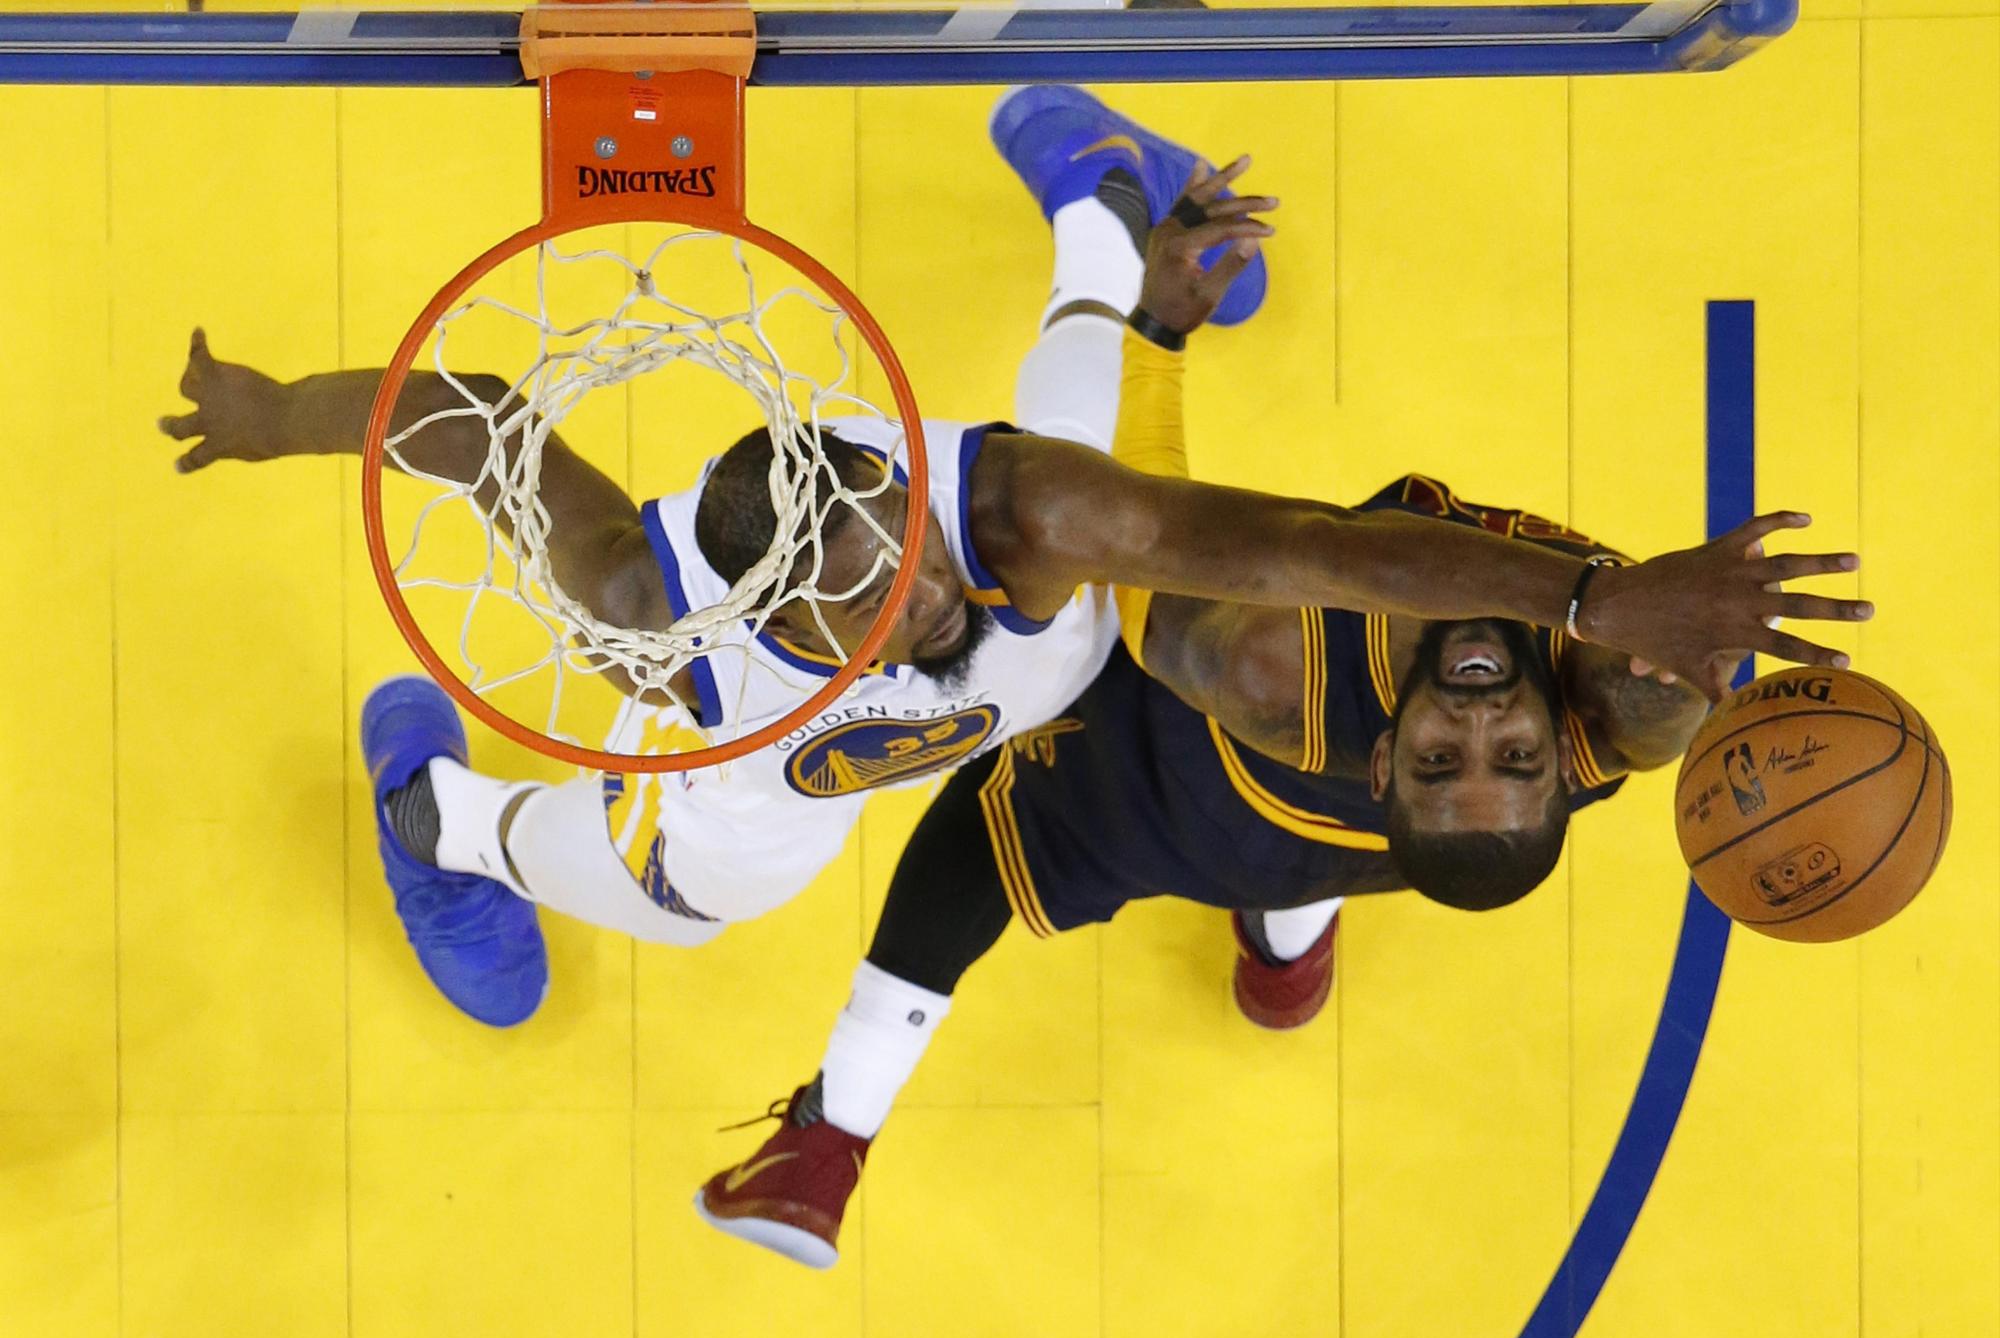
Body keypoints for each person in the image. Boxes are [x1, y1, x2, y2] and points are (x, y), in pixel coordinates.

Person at [162, 88, 1860, 1041]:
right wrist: (273, 415)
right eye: (873, 592)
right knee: (690, 903)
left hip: (1052, 636)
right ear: (791, 622)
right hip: (776, 805)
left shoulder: (1009, 522)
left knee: (1093, 470)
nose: (911, 584)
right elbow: (465, 418)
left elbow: (1288, 541)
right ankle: (435, 820)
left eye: (901, 545)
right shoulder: (661, 630)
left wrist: (1593, 610)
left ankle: (1109, 216)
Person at [691, 481, 1843, 1267]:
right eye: (1507, 752)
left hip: (1158, 780)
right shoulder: (1583, 737)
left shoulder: (1257, 663)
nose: (1487, 717)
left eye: (1450, 752)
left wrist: (1152, 325)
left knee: (977, 853)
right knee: (1338, 849)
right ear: (1561, 765)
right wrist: (1693, 654)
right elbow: (1654, 709)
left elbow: (1141, 521)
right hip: (1324, 831)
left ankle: (826, 1140)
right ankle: (1282, 966)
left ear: (1388, 753)